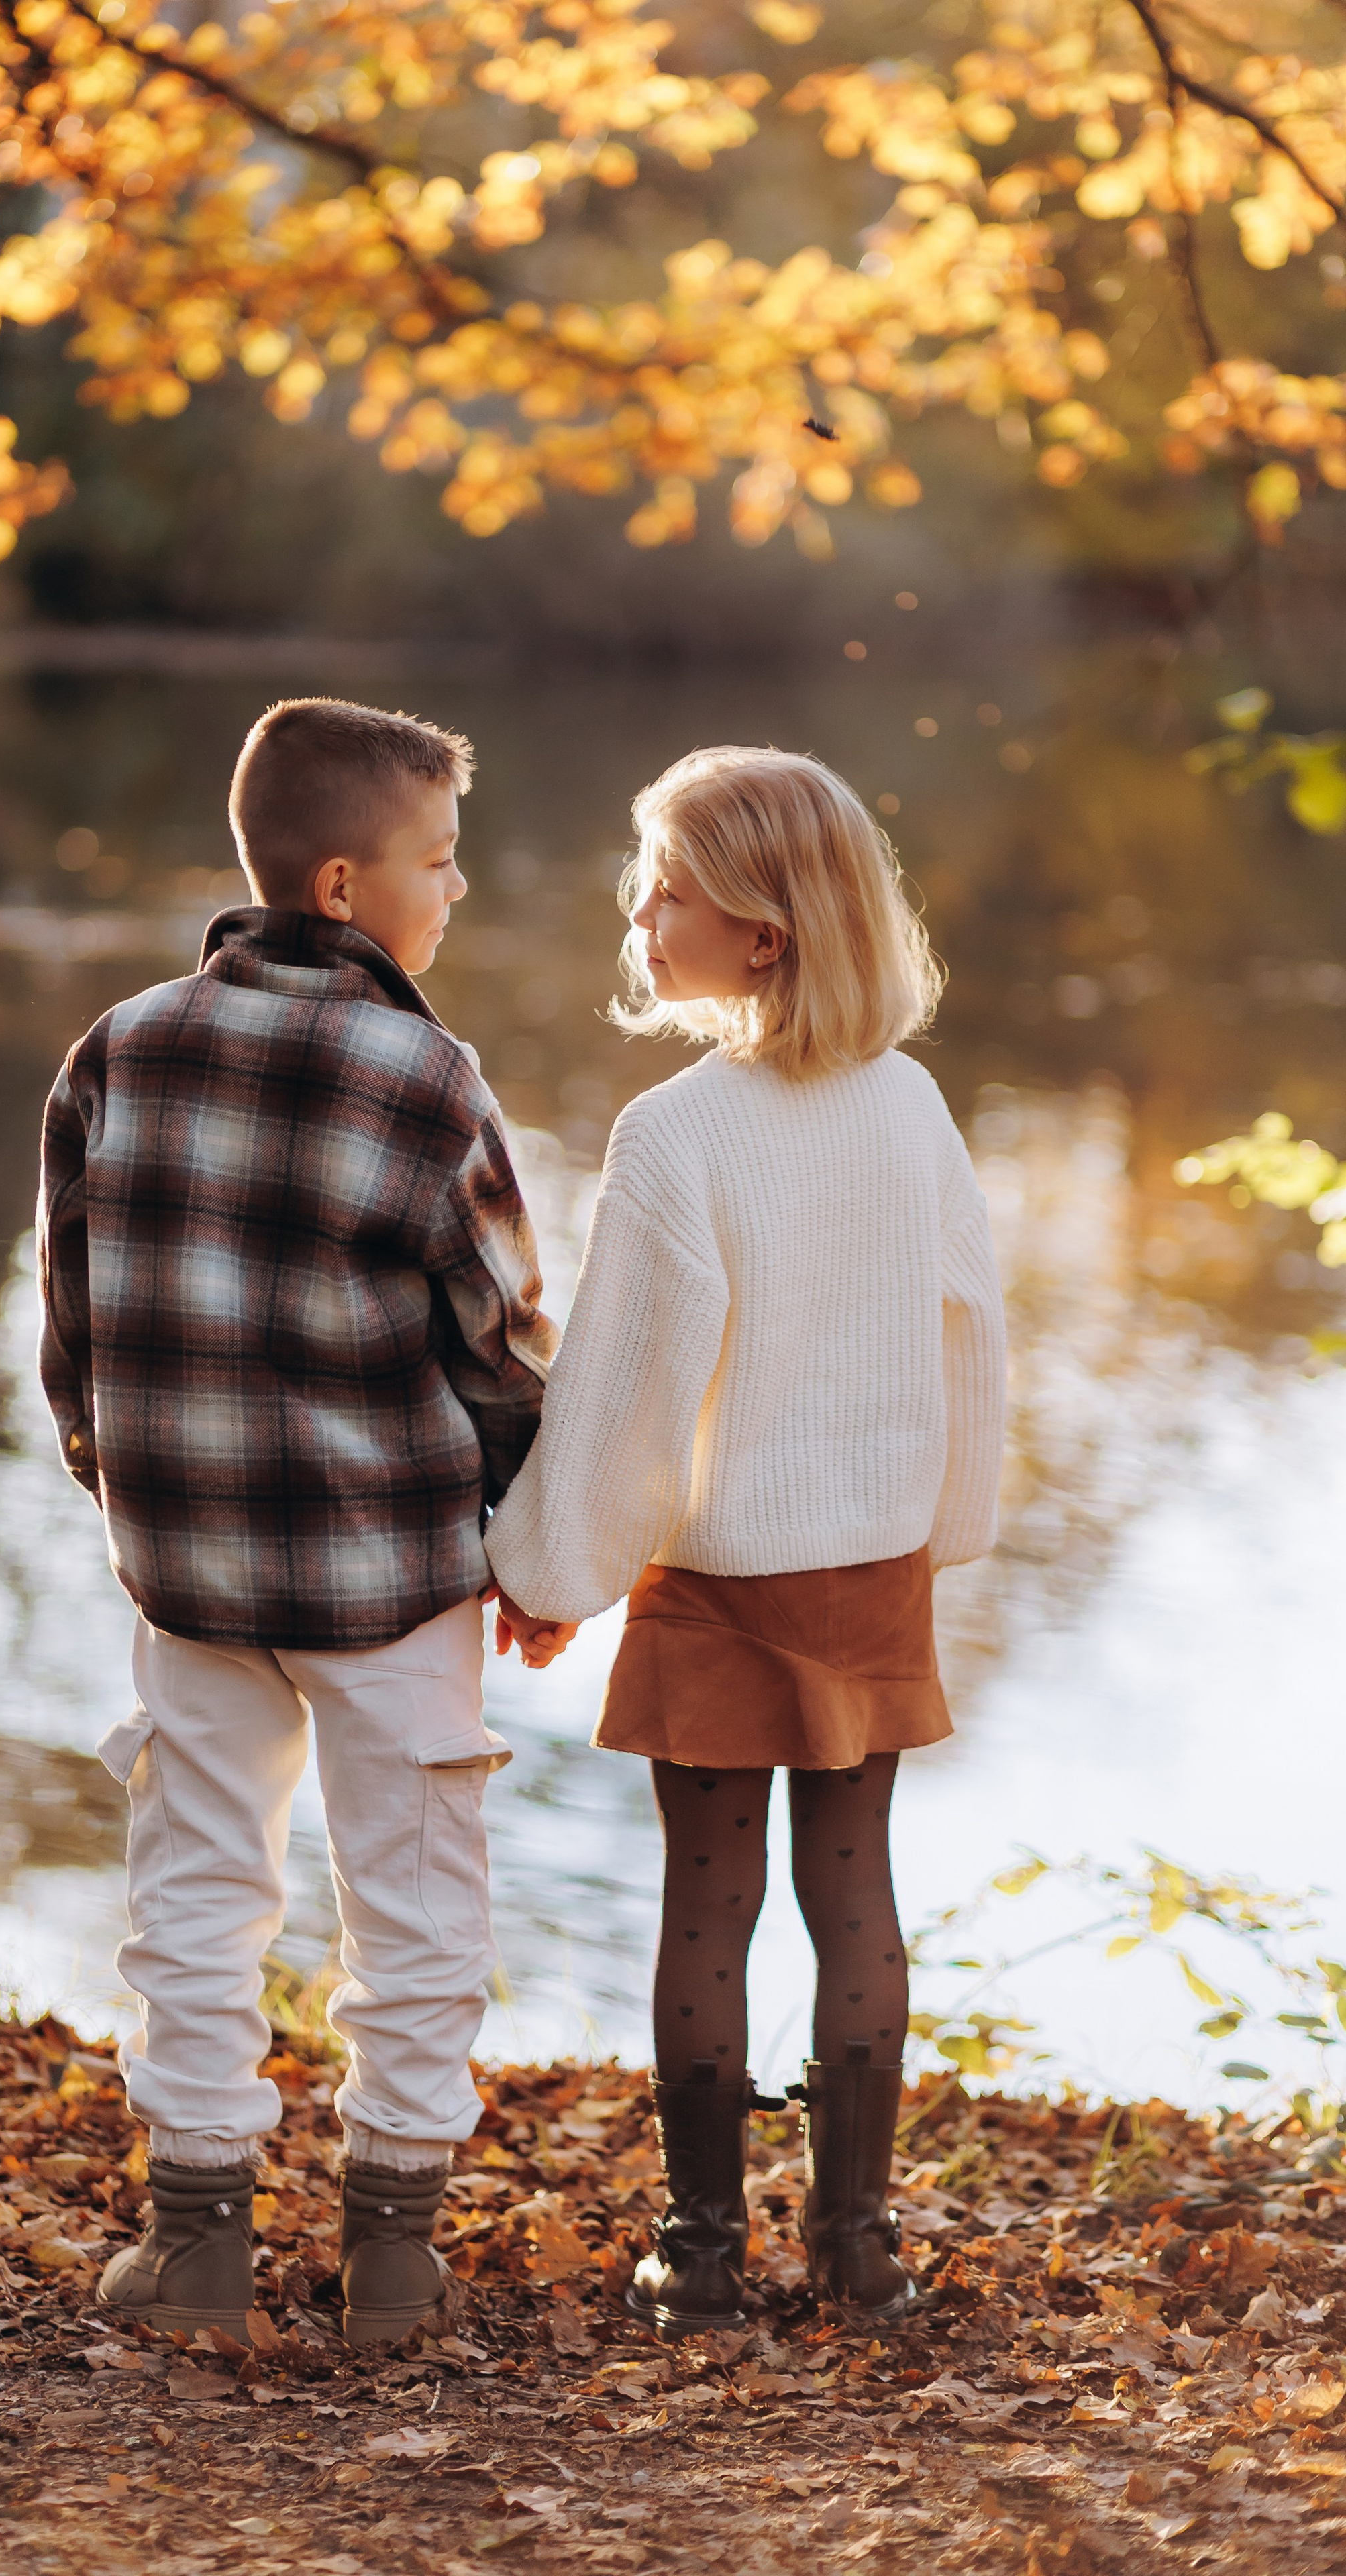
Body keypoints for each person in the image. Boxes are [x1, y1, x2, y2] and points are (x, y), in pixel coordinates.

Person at [37, 698, 558, 2347]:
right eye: (438, 861)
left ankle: (195, 2249)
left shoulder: (117, 1047)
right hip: (385, 1570)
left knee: (194, 1888)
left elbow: (72, 1320)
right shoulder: (424, 1076)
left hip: (187, 1565)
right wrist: (525, 1540)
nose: (455, 891)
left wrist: (122, 1480)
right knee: (413, 1893)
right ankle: (391, 2254)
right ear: (345, 884)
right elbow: (499, 1339)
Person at [486, 746, 1005, 2334]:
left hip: (716, 1578)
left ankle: (698, 2253)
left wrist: (544, 1570)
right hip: (866, 1562)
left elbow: (627, 1397)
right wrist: (945, 1531)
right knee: (854, 1890)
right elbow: (971, 1331)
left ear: (760, 934)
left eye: (665, 890)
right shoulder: (909, 1107)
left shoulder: (673, 1136)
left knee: (705, 1904)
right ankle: (856, 2249)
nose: (636, 915)